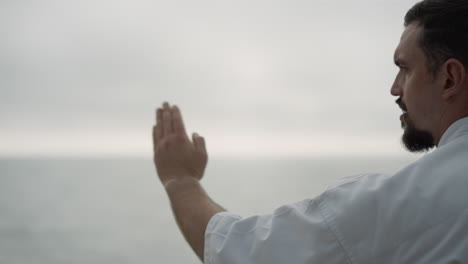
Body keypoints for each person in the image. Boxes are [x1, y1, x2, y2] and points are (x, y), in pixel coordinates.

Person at [152, 0, 468, 263]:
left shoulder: (403, 204)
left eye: (405, 69)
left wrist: (180, 179)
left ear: (450, 79)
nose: (395, 88)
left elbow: (237, 251)